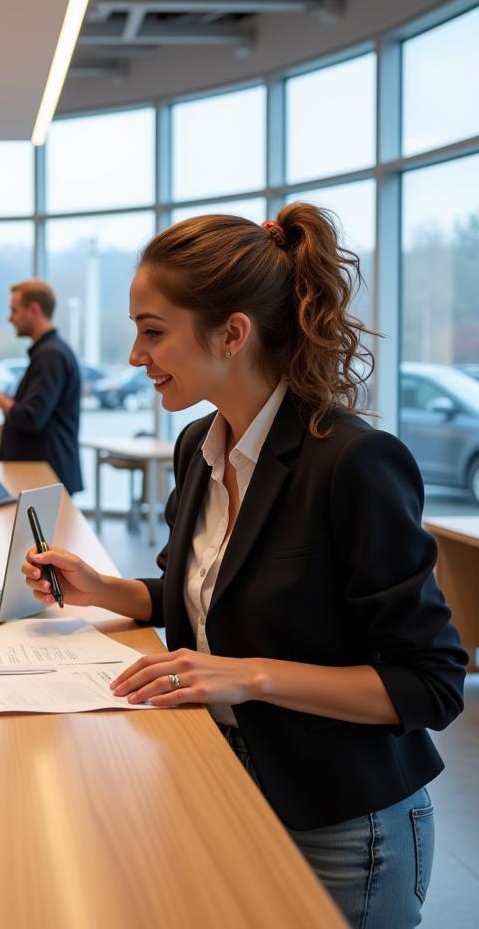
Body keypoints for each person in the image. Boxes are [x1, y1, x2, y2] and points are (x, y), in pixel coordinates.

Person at [23, 204, 466, 928]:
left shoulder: (354, 463)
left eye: (153, 332)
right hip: (225, 782)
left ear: (232, 333)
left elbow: (431, 684)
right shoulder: (201, 444)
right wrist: (104, 590)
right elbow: (204, 593)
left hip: (344, 826)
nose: (136, 358)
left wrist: (248, 674)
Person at [0, 279, 82, 493]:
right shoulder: (48, 353)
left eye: (14, 310)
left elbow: (31, 417)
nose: (10, 318)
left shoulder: (51, 355)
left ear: (34, 309)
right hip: (42, 477)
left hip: (46, 479)